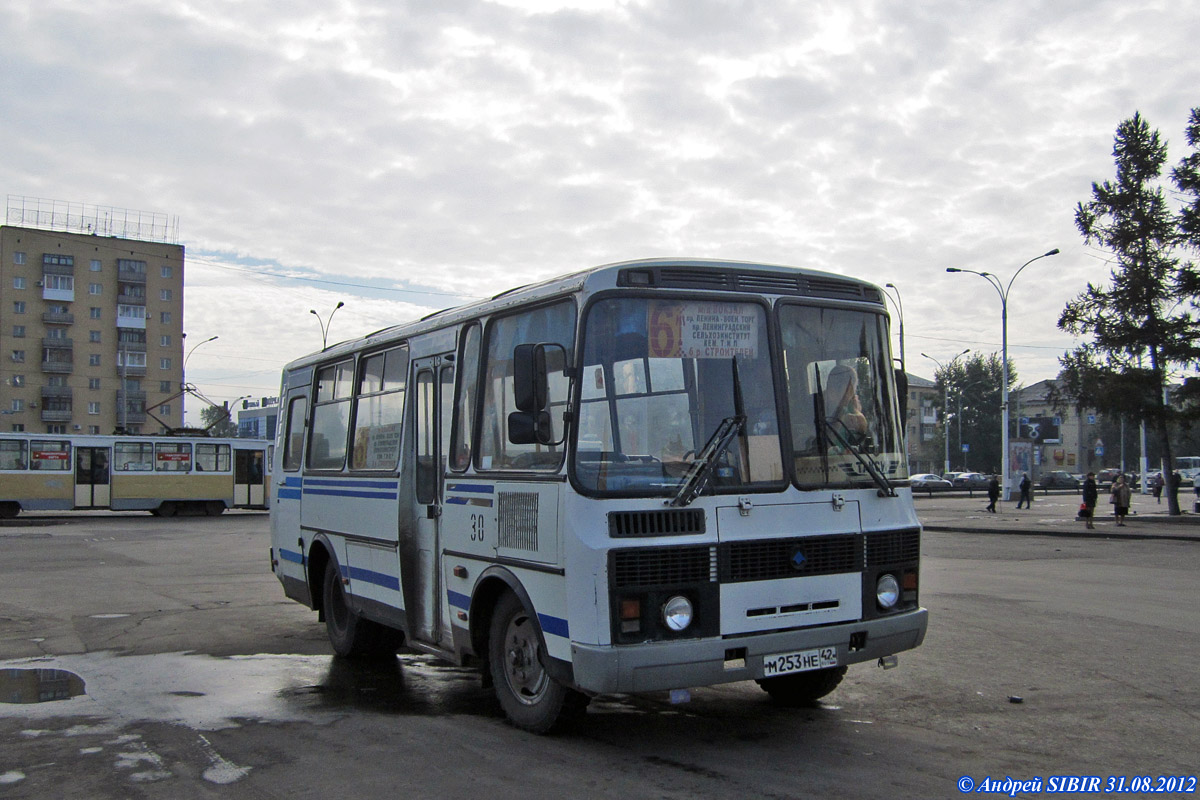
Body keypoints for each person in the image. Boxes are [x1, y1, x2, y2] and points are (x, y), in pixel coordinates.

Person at [824, 364, 868, 438]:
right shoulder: (814, 406)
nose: (850, 394)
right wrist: (841, 419)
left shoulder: (851, 406)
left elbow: (862, 425)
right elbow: (821, 444)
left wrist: (857, 420)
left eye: (851, 390)